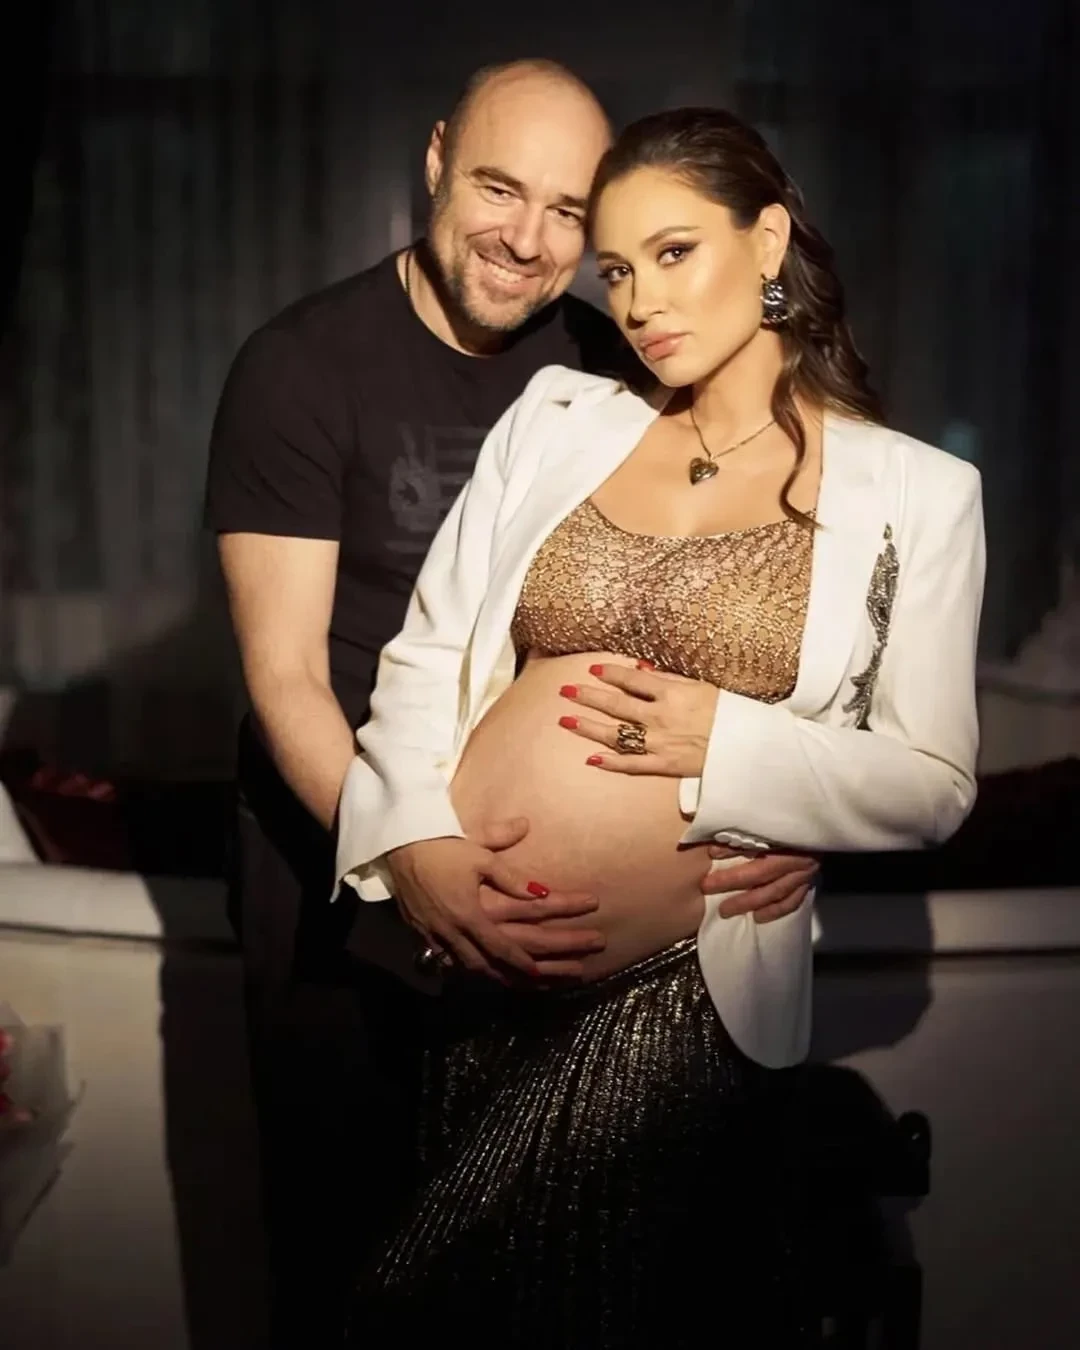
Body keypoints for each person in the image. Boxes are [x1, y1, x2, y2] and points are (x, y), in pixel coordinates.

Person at [337, 106, 985, 1348]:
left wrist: (736, 749)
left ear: (769, 240)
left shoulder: (919, 492)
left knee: (422, 1307)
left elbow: (935, 779)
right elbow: (424, 655)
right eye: (618, 271)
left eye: (675, 253)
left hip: (681, 990)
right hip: (471, 979)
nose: (638, 303)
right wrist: (415, 844)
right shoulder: (556, 418)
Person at [206, 63, 817, 1346]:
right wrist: (411, 854)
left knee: (532, 1302)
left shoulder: (616, 358)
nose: (529, 240)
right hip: (334, 888)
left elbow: (741, 584)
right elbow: (285, 676)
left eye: (568, 211)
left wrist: (792, 804)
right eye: (497, 188)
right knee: (348, 1275)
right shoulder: (299, 369)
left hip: (556, 947)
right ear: (437, 159)